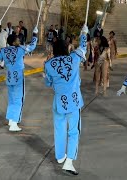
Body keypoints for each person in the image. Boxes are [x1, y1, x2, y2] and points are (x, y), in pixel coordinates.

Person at [43, 25, 88, 175]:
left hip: (58, 102)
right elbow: (83, 47)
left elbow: (48, 83)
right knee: (74, 131)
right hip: (74, 101)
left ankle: (60, 156)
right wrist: (84, 33)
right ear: (67, 48)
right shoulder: (74, 58)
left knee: (59, 129)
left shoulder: (48, 65)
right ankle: (69, 162)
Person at [0, 27, 38, 132]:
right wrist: (34, 35)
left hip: (10, 77)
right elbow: (32, 46)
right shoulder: (21, 49)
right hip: (19, 78)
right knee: (18, 100)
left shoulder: (3, 50)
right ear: (13, 41)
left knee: (12, 99)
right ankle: (14, 124)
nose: (19, 40)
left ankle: (12, 119)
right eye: (17, 39)